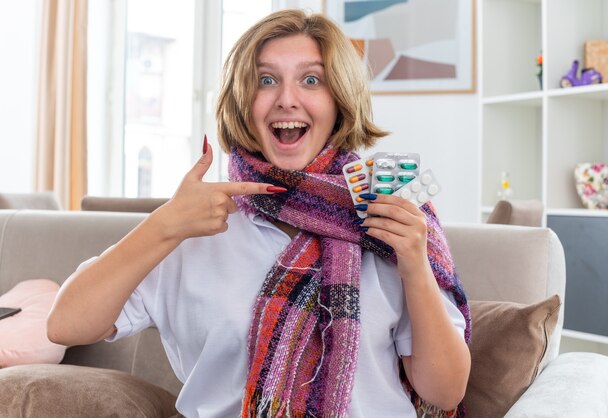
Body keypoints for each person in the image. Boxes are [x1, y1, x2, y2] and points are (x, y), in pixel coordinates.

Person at [48, 9, 471, 418]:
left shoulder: (389, 219)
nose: (287, 99)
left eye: (311, 80)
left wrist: (414, 265)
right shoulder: (189, 228)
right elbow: (65, 325)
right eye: (266, 80)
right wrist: (162, 225)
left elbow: (444, 390)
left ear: (339, 99)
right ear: (242, 100)